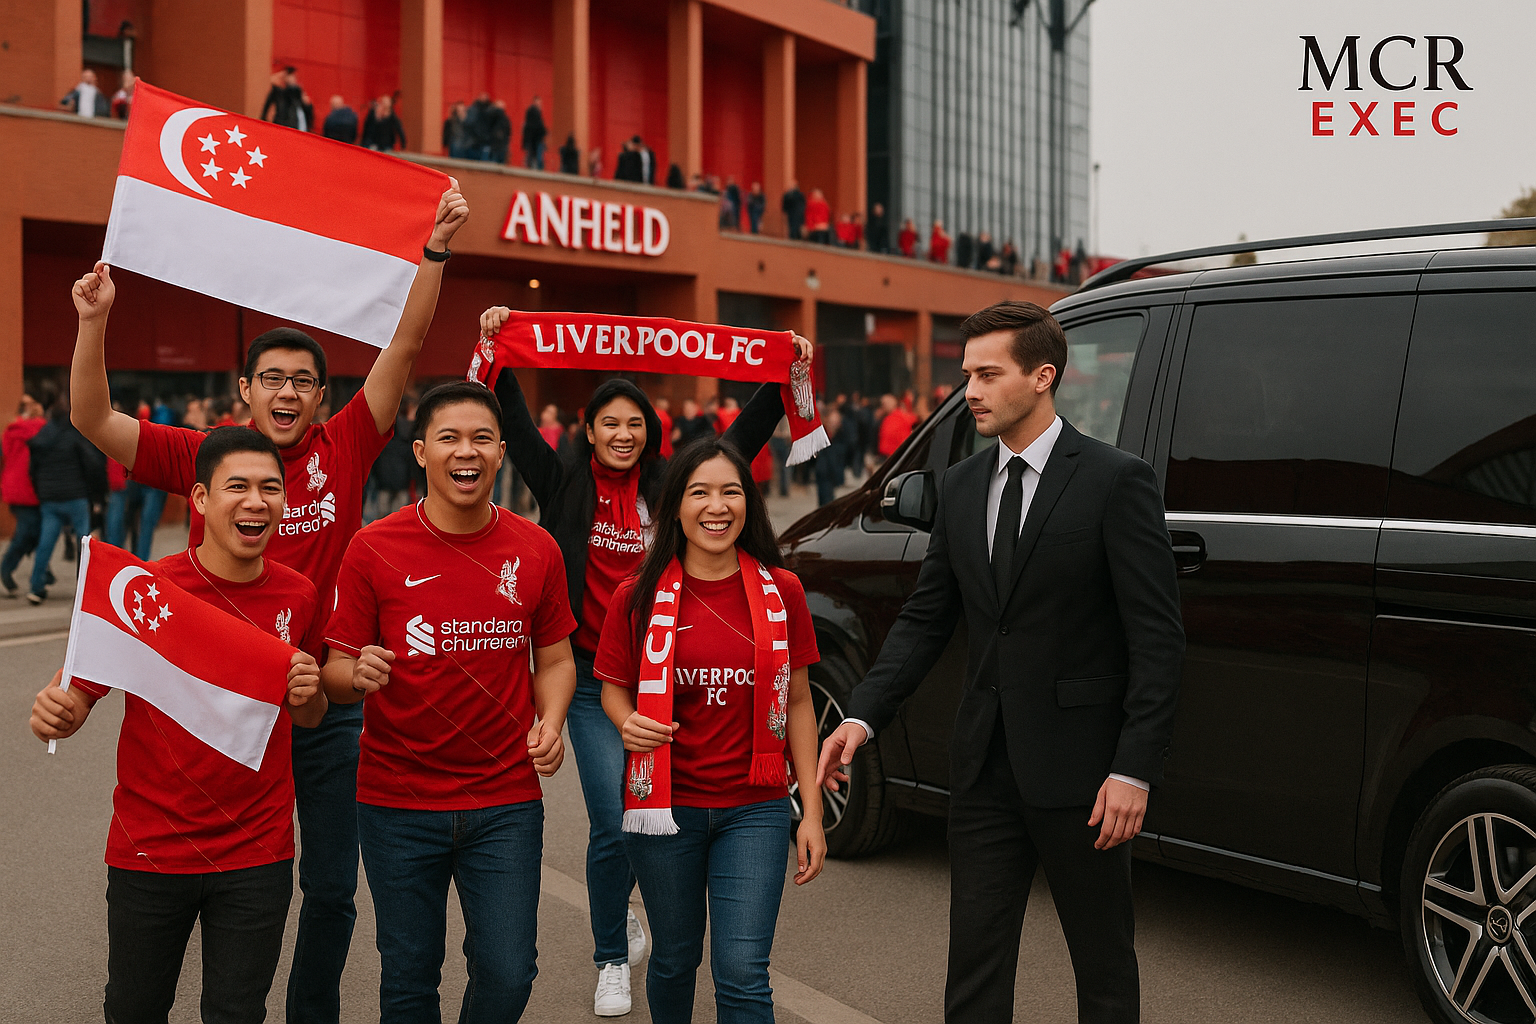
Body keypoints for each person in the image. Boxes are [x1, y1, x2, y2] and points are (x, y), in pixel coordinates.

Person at [67, 183, 469, 1024]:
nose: (289, 393)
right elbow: (93, 416)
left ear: (323, 398)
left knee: (327, 888)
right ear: (245, 390)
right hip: (211, 696)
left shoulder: (350, 442)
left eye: (306, 382)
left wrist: (432, 248)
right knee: (203, 877)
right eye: (273, 379)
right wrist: (94, 320)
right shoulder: (206, 454)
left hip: (316, 695)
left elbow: (405, 341)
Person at [816, 300, 1184, 1024]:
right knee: (975, 974)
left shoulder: (1116, 481)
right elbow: (926, 620)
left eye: (988, 374)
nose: (971, 391)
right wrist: (861, 715)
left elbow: (1157, 639)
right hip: (983, 769)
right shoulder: (959, 487)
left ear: (1043, 376)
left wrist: (1133, 768)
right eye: (967, 374)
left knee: (1103, 970)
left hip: (1084, 775)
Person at [478, 304, 812, 1017]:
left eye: (636, 423)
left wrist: (780, 378)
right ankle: (610, 952)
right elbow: (510, 421)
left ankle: (644, 927)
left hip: (678, 683)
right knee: (614, 821)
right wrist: (497, 349)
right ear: (589, 431)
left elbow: (738, 447)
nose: (624, 434)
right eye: (610, 423)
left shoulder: (676, 488)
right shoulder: (561, 481)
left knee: (723, 951)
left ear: (650, 433)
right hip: (604, 681)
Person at [30, 426, 328, 1024]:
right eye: (237, 486)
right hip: (150, 848)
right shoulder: (149, 588)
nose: (255, 501)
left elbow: (310, 713)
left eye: (270, 488)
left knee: (237, 1011)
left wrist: (309, 692)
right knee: (135, 1010)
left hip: (257, 850)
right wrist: (54, 715)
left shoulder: (299, 593)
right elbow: (76, 696)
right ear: (199, 499)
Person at [321, 381, 577, 1022]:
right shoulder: (373, 547)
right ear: (420, 451)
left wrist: (552, 720)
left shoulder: (536, 548)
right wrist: (358, 675)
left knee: (510, 972)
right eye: (450, 438)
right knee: (409, 981)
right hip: (397, 804)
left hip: (506, 801)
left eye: (482, 439)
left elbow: (555, 658)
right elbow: (334, 671)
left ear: (500, 452)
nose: (467, 452)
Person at [595, 437, 826, 1024]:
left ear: (749, 503)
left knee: (744, 971)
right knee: (674, 960)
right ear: (675, 505)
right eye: (699, 492)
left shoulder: (784, 591)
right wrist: (629, 723)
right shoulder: (636, 595)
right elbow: (613, 687)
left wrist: (814, 814)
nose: (716, 506)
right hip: (665, 811)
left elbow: (798, 702)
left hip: (757, 810)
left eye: (731, 492)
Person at [26, 400, 106, 604]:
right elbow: (93, 465)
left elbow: (32, 469)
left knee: (46, 543)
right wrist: (97, 493)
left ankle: (36, 587)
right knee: (85, 543)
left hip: (50, 498)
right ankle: (85, 590)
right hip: (75, 497)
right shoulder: (74, 437)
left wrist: (41, 490)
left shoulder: (41, 438)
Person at [1, 393, 46, 596]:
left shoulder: (13, 430)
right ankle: (6, 570)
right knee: (27, 532)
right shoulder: (35, 429)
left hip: (17, 489)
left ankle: (44, 572)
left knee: (34, 531)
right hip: (25, 490)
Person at [875, 393, 916, 462]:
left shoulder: (896, 418)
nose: (882, 407)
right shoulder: (889, 417)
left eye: (883, 404)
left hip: (894, 456)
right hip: (892, 455)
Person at [522, 95, 548, 169]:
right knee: (537, 157)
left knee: (533, 156)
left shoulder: (533, 112)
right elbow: (538, 126)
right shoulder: (534, 112)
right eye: (539, 102)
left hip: (534, 140)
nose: (540, 104)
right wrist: (544, 131)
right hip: (536, 139)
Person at [489, 99, 513, 164]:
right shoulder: (493, 117)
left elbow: (508, 133)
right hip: (496, 146)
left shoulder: (505, 119)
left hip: (499, 146)